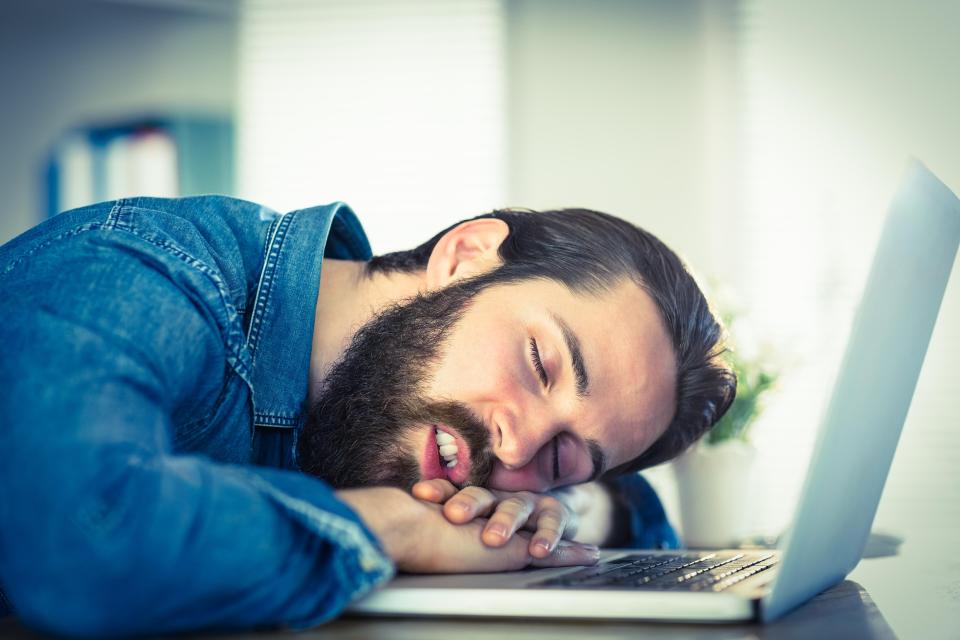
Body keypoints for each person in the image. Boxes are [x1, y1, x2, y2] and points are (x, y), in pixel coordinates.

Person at [0, 196, 735, 635]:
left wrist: (565, 511)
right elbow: (78, 540)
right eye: (540, 364)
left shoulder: (395, 418)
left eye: (563, 455)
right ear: (468, 256)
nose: (517, 444)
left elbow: (635, 510)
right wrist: (392, 526)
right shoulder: (142, 272)